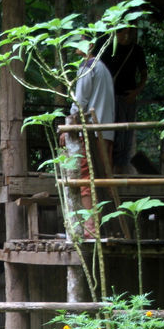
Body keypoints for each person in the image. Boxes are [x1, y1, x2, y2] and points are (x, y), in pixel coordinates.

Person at [64, 39, 115, 237]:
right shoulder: (102, 68)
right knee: (100, 177)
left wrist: (70, 128)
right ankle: (97, 226)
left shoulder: (88, 66)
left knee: (86, 177)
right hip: (105, 131)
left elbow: (80, 102)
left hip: (92, 131)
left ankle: (90, 229)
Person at [101, 27, 147, 174]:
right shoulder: (108, 49)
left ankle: (120, 169)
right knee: (114, 135)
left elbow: (144, 74)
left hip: (128, 98)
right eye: (118, 31)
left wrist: (136, 92)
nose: (120, 34)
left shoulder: (136, 50)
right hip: (112, 98)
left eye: (122, 31)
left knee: (126, 135)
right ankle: (112, 170)